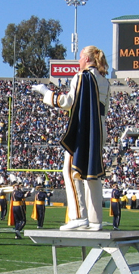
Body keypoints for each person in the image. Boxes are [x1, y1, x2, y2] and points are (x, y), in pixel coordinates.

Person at [31, 45, 110, 231]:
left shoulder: (82, 77)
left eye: (81, 57)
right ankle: (96, 220)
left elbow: (68, 102)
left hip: (84, 130)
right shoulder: (105, 81)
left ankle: (78, 215)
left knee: (70, 170)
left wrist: (46, 92)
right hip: (99, 130)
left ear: (88, 59)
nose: (79, 61)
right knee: (93, 174)